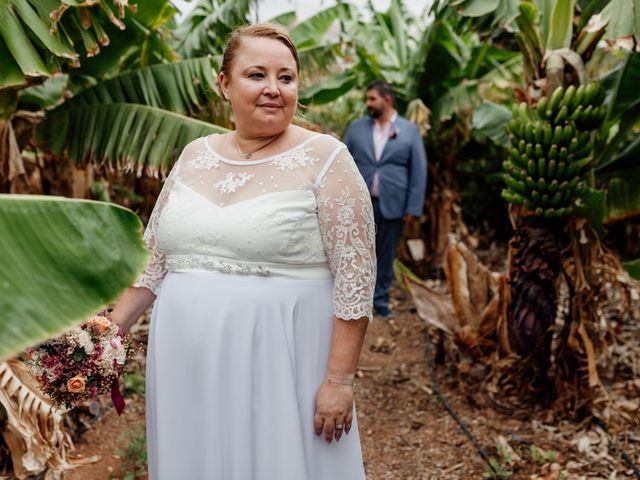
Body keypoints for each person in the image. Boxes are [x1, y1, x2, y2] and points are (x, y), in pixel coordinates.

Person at [107, 24, 376, 480]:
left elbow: (355, 277)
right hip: (184, 359)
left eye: (286, 78)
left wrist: (338, 380)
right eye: (257, 75)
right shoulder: (195, 154)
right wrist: (104, 335)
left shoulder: (327, 158)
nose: (273, 89)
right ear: (225, 84)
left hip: (280, 355)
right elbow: (155, 259)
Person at [344, 81, 427, 319]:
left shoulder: (409, 130)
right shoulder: (356, 128)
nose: (368, 104)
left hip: (393, 203)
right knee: (356, 252)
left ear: (387, 100)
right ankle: (355, 301)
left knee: (386, 253)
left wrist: (413, 207)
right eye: (367, 99)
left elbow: (418, 171)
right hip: (360, 203)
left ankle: (380, 302)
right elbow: (342, 162)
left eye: (372, 99)